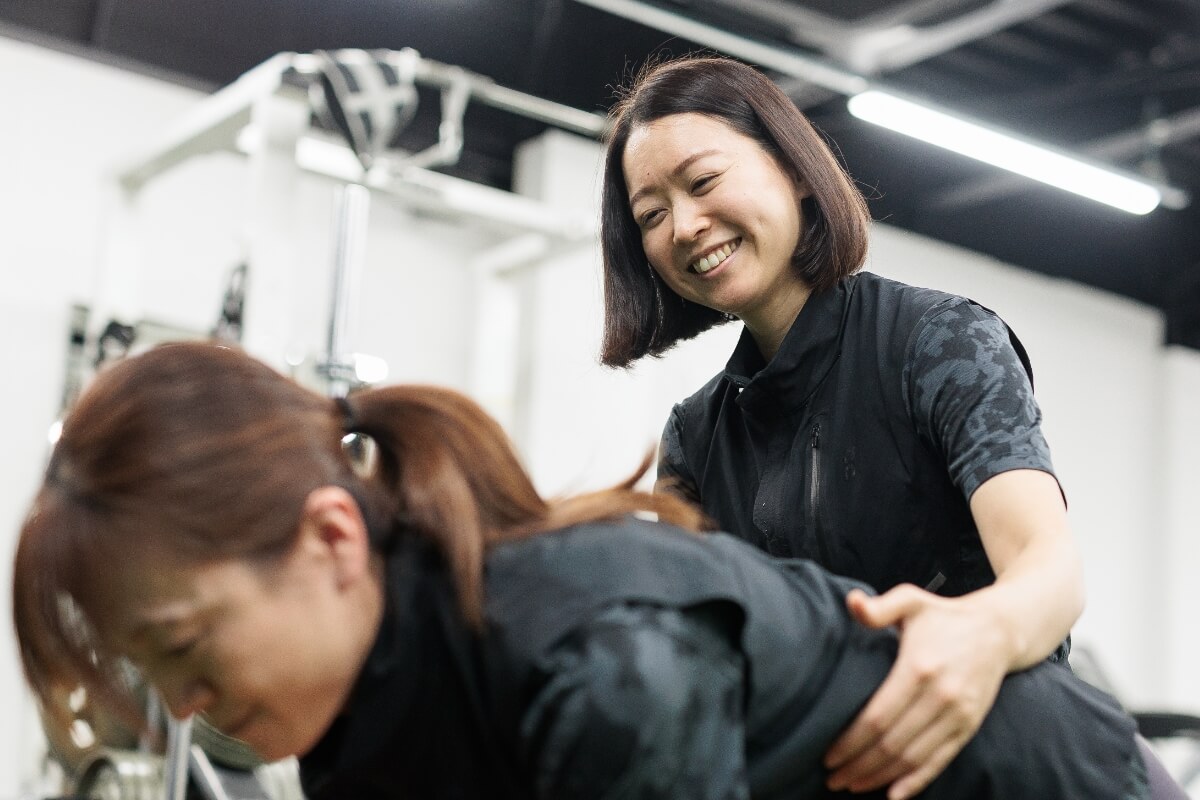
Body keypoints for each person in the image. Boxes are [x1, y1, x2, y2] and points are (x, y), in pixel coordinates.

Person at [13, 342, 1151, 799]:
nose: (182, 705)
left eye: (186, 645)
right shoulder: (352, 739)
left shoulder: (603, 657)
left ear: (331, 538)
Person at [599, 55, 1186, 800]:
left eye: (705, 181)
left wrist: (984, 634)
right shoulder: (694, 439)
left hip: (1028, 768)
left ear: (795, 170)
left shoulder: (940, 341)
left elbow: (1048, 568)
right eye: (651, 215)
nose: (685, 225)